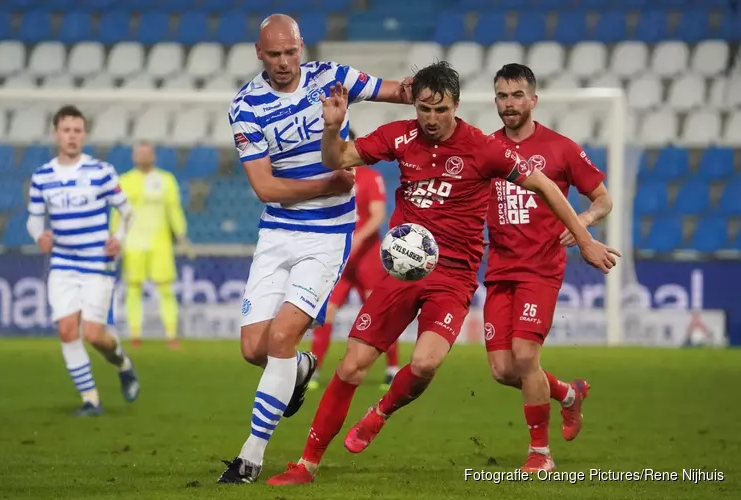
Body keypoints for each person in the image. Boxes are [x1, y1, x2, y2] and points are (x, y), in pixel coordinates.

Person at [266, 61, 620, 485]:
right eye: (424, 109)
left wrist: (583, 239)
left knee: (427, 362)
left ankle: (380, 413)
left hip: (454, 275)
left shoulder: (484, 148)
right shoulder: (399, 136)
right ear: (414, 104)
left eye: (441, 110)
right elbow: (337, 159)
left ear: (456, 106)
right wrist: (332, 127)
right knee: (350, 367)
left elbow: (544, 185)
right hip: (402, 271)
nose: (431, 119)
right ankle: (306, 464)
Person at [217, 14, 413, 485]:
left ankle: (250, 457)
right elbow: (264, 187)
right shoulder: (246, 106)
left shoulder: (331, 77)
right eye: (274, 54)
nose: (284, 62)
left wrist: (428, 92)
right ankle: (301, 367)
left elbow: (397, 91)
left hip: (328, 235)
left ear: (301, 47)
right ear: (259, 55)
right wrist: (329, 182)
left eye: (291, 52)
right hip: (277, 233)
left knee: (281, 338)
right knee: (254, 349)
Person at [484, 64, 614, 472]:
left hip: (541, 268)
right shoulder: (485, 149)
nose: (510, 104)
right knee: (504, 370)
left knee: (525, 356)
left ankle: (540, 454)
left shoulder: (562, 148)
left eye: (517, 95)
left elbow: (603, 200)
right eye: (503, 96)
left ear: (533, 100)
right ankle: (568, 394)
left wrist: (584, 228)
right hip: (500, 268)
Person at [26, 105, 140, 417]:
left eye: (77, 130)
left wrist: (119, 238)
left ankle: (123, 364)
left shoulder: (101, 172)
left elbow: (127, 212)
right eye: (66, 130)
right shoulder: (43, 177)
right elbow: (34, 221)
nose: (72, 136)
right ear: (56, 133)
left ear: (84, 134)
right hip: (62, 262)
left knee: (93, 335)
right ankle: (91, 400)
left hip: (96, 262)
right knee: (66, 330)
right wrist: (40, 236)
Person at [309, 129, 400, 392]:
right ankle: (314, 369)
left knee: (379, 313)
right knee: (326, 313)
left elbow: (377, 215)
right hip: (340, 257)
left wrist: (357, 238)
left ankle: (392, 369)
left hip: (366, 257)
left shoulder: (371, 177)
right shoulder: (329, 180)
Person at [112, 141, 191, 350]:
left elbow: (174, 209)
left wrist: (181, 234)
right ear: (134, 156)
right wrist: (115, 238)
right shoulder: (125, 181)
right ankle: (135, 334)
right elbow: (118, 213)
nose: (143, 157)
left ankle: (171, 334)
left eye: (147, 153)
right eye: (140, 153)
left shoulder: (166, 180)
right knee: (133, 289)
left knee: (166, 289)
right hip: (132, 244)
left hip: (160, 243)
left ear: (153, 156)